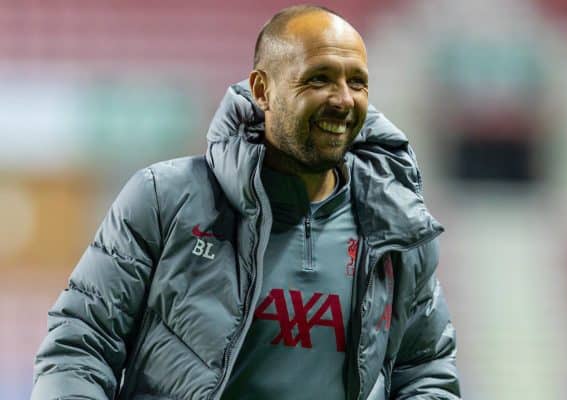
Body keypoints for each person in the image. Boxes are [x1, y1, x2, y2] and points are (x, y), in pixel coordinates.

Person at [32, 5, 460, 400]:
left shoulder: (394, 227)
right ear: (262, 89)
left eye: (357, 81)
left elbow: (425, 370)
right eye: (319, 78)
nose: (344, 99)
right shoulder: (164, 199)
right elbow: (79, 345)